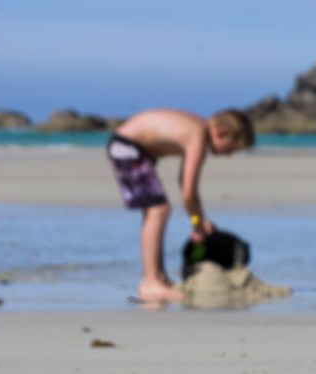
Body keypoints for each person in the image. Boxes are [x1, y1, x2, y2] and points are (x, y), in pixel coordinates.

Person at [106, 109, 255, 303]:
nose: (229, 155)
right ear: (222, 133)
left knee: (156, 210)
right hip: (127, 148)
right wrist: (198, 224)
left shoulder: (197, 128)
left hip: (131, 148)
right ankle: (150, 282)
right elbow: (188, 191)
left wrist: (198, 221)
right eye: (232, 149)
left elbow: (183, 182)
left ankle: (160, 278)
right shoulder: (198, 135)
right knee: (158, 210)